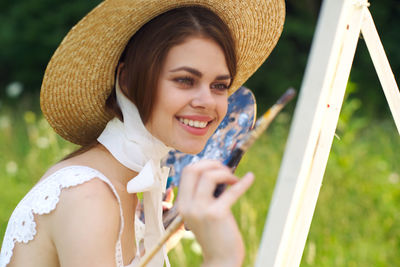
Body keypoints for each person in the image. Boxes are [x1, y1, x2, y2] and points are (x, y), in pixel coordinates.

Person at [0, 1, 285, 266]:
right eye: (185, 80)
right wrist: (222, 256)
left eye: (219, 85)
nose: (207, 101)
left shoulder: (131, 190)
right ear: (126, 79)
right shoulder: (88, 196)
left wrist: (153, 244)